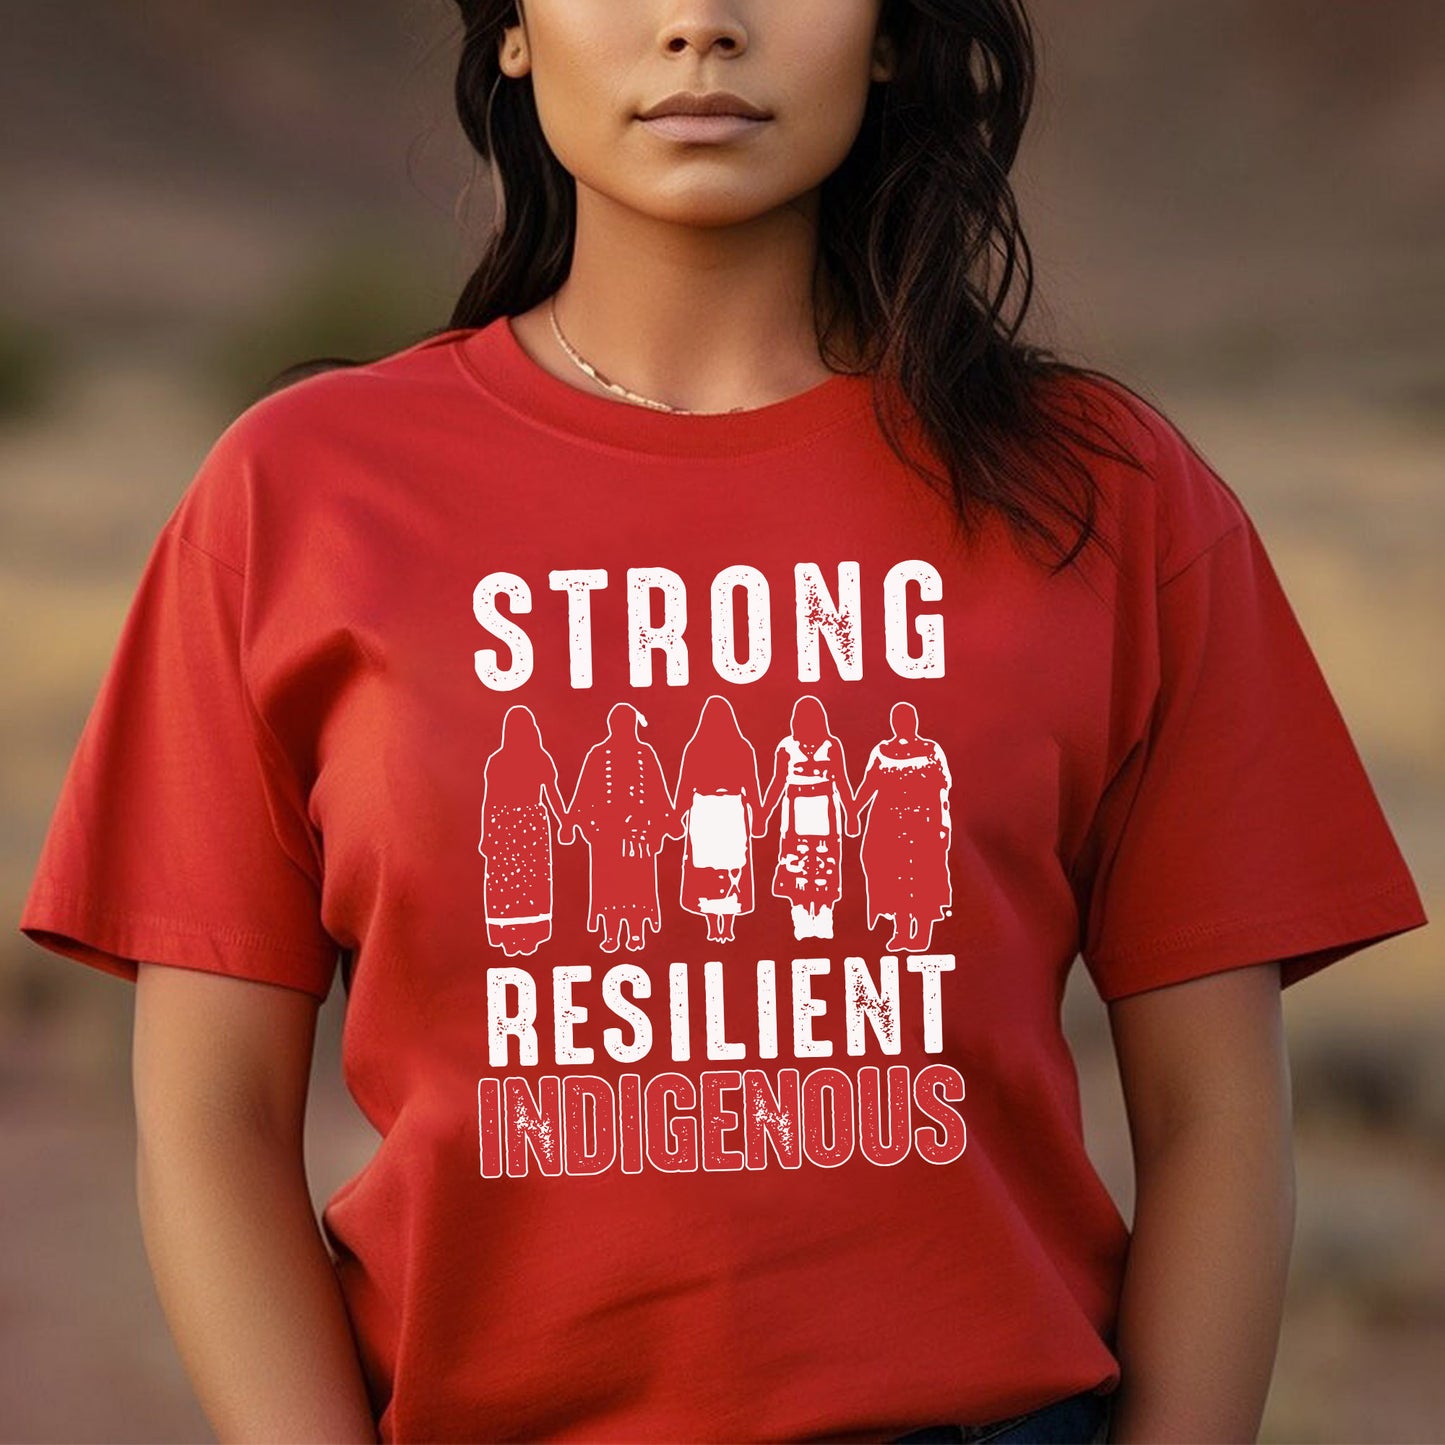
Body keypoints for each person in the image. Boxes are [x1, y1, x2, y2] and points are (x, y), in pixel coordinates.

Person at [15, 1, 1429, 1442]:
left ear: (888, 35)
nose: (699, 24)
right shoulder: (299, 497)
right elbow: (209, 1122)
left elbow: (1215, 1118)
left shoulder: (1106, 501)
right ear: (511, 33)